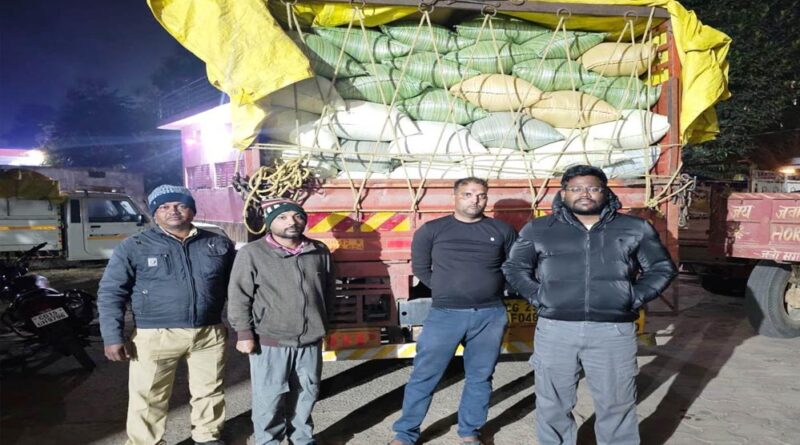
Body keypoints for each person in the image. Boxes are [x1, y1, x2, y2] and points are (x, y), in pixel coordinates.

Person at [502, 165, 678, 445]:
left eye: (593, 188)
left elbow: (661, 268)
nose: (585, 194)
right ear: (563, 193)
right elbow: (514, 267)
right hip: (556, 329)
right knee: (552, 403)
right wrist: (539, 296)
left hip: (612, 331)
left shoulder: (634, 228)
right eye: (576, 188)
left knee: (616, 403)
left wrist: (631, 297)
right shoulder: (540, 228)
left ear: (605, 192)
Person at [98, 184, 236, 445]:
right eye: (164, 207)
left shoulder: (217, 243)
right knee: (149, 396)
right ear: (155, 213)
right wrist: (112, 335)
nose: (173, 211)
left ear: (192, 210)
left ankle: (207, 436)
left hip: (209, 332)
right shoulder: (135, 246)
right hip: (155, 334)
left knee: (210, 390)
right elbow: (111, 292)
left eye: (180, 205)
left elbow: (238, 287)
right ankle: (146, 442)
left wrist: (246, 326)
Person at [390, 177, 517, 445]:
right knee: (425, 375)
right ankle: (405, 434)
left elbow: (512, 266)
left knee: (480, 377)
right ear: (455, 197)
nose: (475, 200)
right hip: (445, 314)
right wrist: (447, 290)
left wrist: (493, 289)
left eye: (481, 195)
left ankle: (470, 432)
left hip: (489, 315)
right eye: (468, 194)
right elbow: (421, 268)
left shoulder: (502, 230)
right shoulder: (432, 230)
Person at [227, 199, 335, 445]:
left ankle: (301, 438)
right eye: (283, 217)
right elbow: (239, 295)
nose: (292, 222)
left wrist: (326, 326)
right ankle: (269, 441)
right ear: (270, 223)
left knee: (307, 393)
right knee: (269, 398)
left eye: (297, 216)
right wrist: (244, 333)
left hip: (310, 340)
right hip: (271, 340)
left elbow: (328, 291)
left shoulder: (318, 250)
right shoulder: (252, 253)